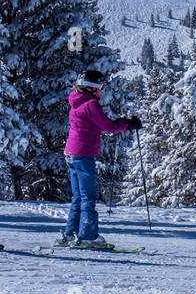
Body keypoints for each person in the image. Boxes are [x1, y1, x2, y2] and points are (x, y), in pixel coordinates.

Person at [60, 70, 140, 248]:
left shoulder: (76, 100)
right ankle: (88, 236)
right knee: (88, 195)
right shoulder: (90, 104)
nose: (103, 91)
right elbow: (108, 126)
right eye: (101, 87)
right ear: (92, 88)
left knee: (78, 196)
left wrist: (121, 122)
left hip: (71, 153)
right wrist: (128, 124)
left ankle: (71, 234)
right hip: (83, 153)